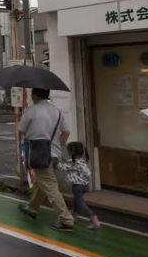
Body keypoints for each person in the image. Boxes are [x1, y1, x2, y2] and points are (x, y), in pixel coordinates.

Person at [18, 88, 74, 231]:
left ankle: (66, 219)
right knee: (41, 182)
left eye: (32, 94)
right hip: (55, 154)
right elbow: (66, 131)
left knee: (50, 186)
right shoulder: (57, 111)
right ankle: (32, 208)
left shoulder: (31, 111)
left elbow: (21, 130)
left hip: (40, 154)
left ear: (35, 95)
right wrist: (58, 145)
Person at [59, 142, 100, 229]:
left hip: (77, 186)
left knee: (80, 204)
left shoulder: (73, 163)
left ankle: (94, 218)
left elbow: (62, 167)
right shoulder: (82, 161)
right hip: (84, 185)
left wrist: (54, 162)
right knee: (76, 202)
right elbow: (88, 173)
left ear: (71, 152)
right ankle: (72, 217)